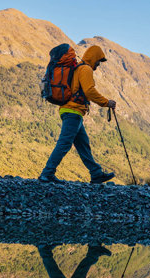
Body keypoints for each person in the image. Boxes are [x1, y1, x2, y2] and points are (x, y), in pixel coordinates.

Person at [39, 45, 116, 184]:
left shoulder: (79, 68)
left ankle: (96, 173)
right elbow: (89, 91)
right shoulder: (85, 69)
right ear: (94, 58)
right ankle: (47, 173)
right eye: (98, 61)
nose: (98, 65)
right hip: (73, 111)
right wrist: (106, 102)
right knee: (64, 143)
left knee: (83, 144)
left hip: (71, 110)